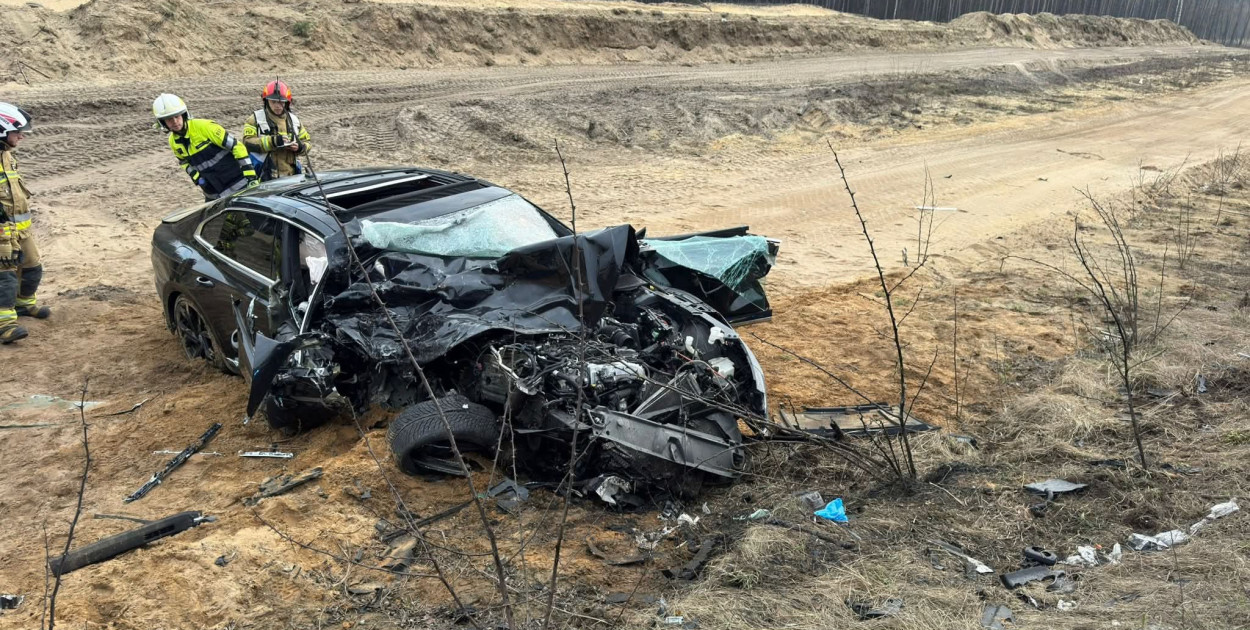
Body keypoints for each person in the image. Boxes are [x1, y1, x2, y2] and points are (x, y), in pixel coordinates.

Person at [0, 102, 48, 344]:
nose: (20, 136)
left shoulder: (6, 156)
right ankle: (4, 324)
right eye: (17, 132)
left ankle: (24, 305)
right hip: (1, 232)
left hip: (20, 230)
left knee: (32, 267)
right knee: (4, 275)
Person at [153, 93, 258, 200]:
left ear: (184, 115)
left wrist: (251, 177)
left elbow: (237, 147)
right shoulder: (173, 141)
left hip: (238, 184)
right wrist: (198, 179)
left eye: (177, 117)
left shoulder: (205, 127)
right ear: (163, 123)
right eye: (169, 119)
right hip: (212, 192)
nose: (175, 122)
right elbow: (184, 163)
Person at [242, 80, 311, 181]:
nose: (277, 105)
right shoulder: (255, 119)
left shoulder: (294, 121)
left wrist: (299, 147)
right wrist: (273, 141)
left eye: (280, 102)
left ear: (287, 102)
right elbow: (247, 143)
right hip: (264, 177)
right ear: (266, 101)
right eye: (273, 102)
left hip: (291, 177)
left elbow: (307, 143)